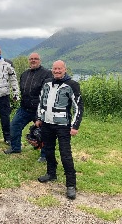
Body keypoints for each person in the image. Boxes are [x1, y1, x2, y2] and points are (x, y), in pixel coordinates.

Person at [35, 60, 83, 200]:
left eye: (59, 69)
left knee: (65, 154)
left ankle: (71, 185)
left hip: (63, 126)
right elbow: (41, 102)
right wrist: (39, 118)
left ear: (65, 69)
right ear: (52, 70)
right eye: (55, 69)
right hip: (47, 124)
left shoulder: (72, 85)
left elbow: (78, 107)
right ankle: (51, 173)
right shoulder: (47, 83)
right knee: (48, 150)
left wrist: (75, 126)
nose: (57, 71)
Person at [4, 53, 52, 162]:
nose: (33, 61)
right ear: (28, 61)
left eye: (35, 59)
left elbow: (48, 94)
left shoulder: (47, 74)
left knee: (44, 132)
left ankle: (44, 155)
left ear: (40, 60)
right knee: (14, 126)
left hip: (39, 110)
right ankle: (16, 148)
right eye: (31, 59)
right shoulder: (24, 74)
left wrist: (41, 114)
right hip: (24, 108)